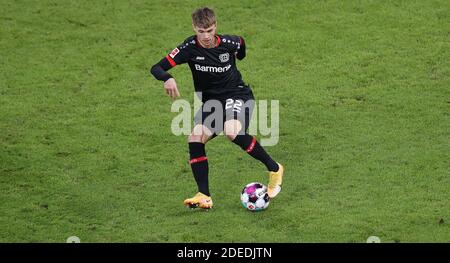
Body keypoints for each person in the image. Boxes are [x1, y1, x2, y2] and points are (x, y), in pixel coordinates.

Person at [150, 7, 284, 209]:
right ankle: (204, 195)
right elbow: (157, 67)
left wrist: (240, 55)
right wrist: (167, 78)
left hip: (237, 94)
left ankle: (274, 169)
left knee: (231, 131)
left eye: (210, 30)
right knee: (195, 137)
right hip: (212, 104)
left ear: (215, 27)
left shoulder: (229, 43)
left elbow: (241, 44)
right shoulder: (189, 47)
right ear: (194, 28)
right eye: (201, 31)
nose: (206, 36)